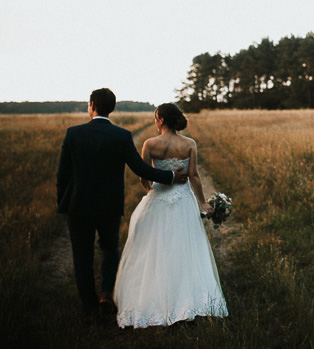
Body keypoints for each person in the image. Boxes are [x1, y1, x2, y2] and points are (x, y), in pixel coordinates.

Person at [57, 88, 190, 323]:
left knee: (82, 256)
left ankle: (89, 307)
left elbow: (63, 174)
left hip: (79, 206)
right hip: (109, 205)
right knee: (110, 249)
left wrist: (63, 203)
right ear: (112, 108)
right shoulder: (121, 135)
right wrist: (169, 176)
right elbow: (140, 168)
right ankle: (107, 294)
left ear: (92, 105)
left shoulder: (73, 134)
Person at [114, 102, 228, 328]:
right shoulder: (189, 144)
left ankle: (155, 297)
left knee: (154, 248)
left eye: (156, 118)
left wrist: (151, 192)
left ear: (161, 119)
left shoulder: (150, 143)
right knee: (186, 248)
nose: (155, 122)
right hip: (183, 200)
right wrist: (202, 202)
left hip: (158, 197)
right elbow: (194, 176)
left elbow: (144, 175)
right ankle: (188, 299)